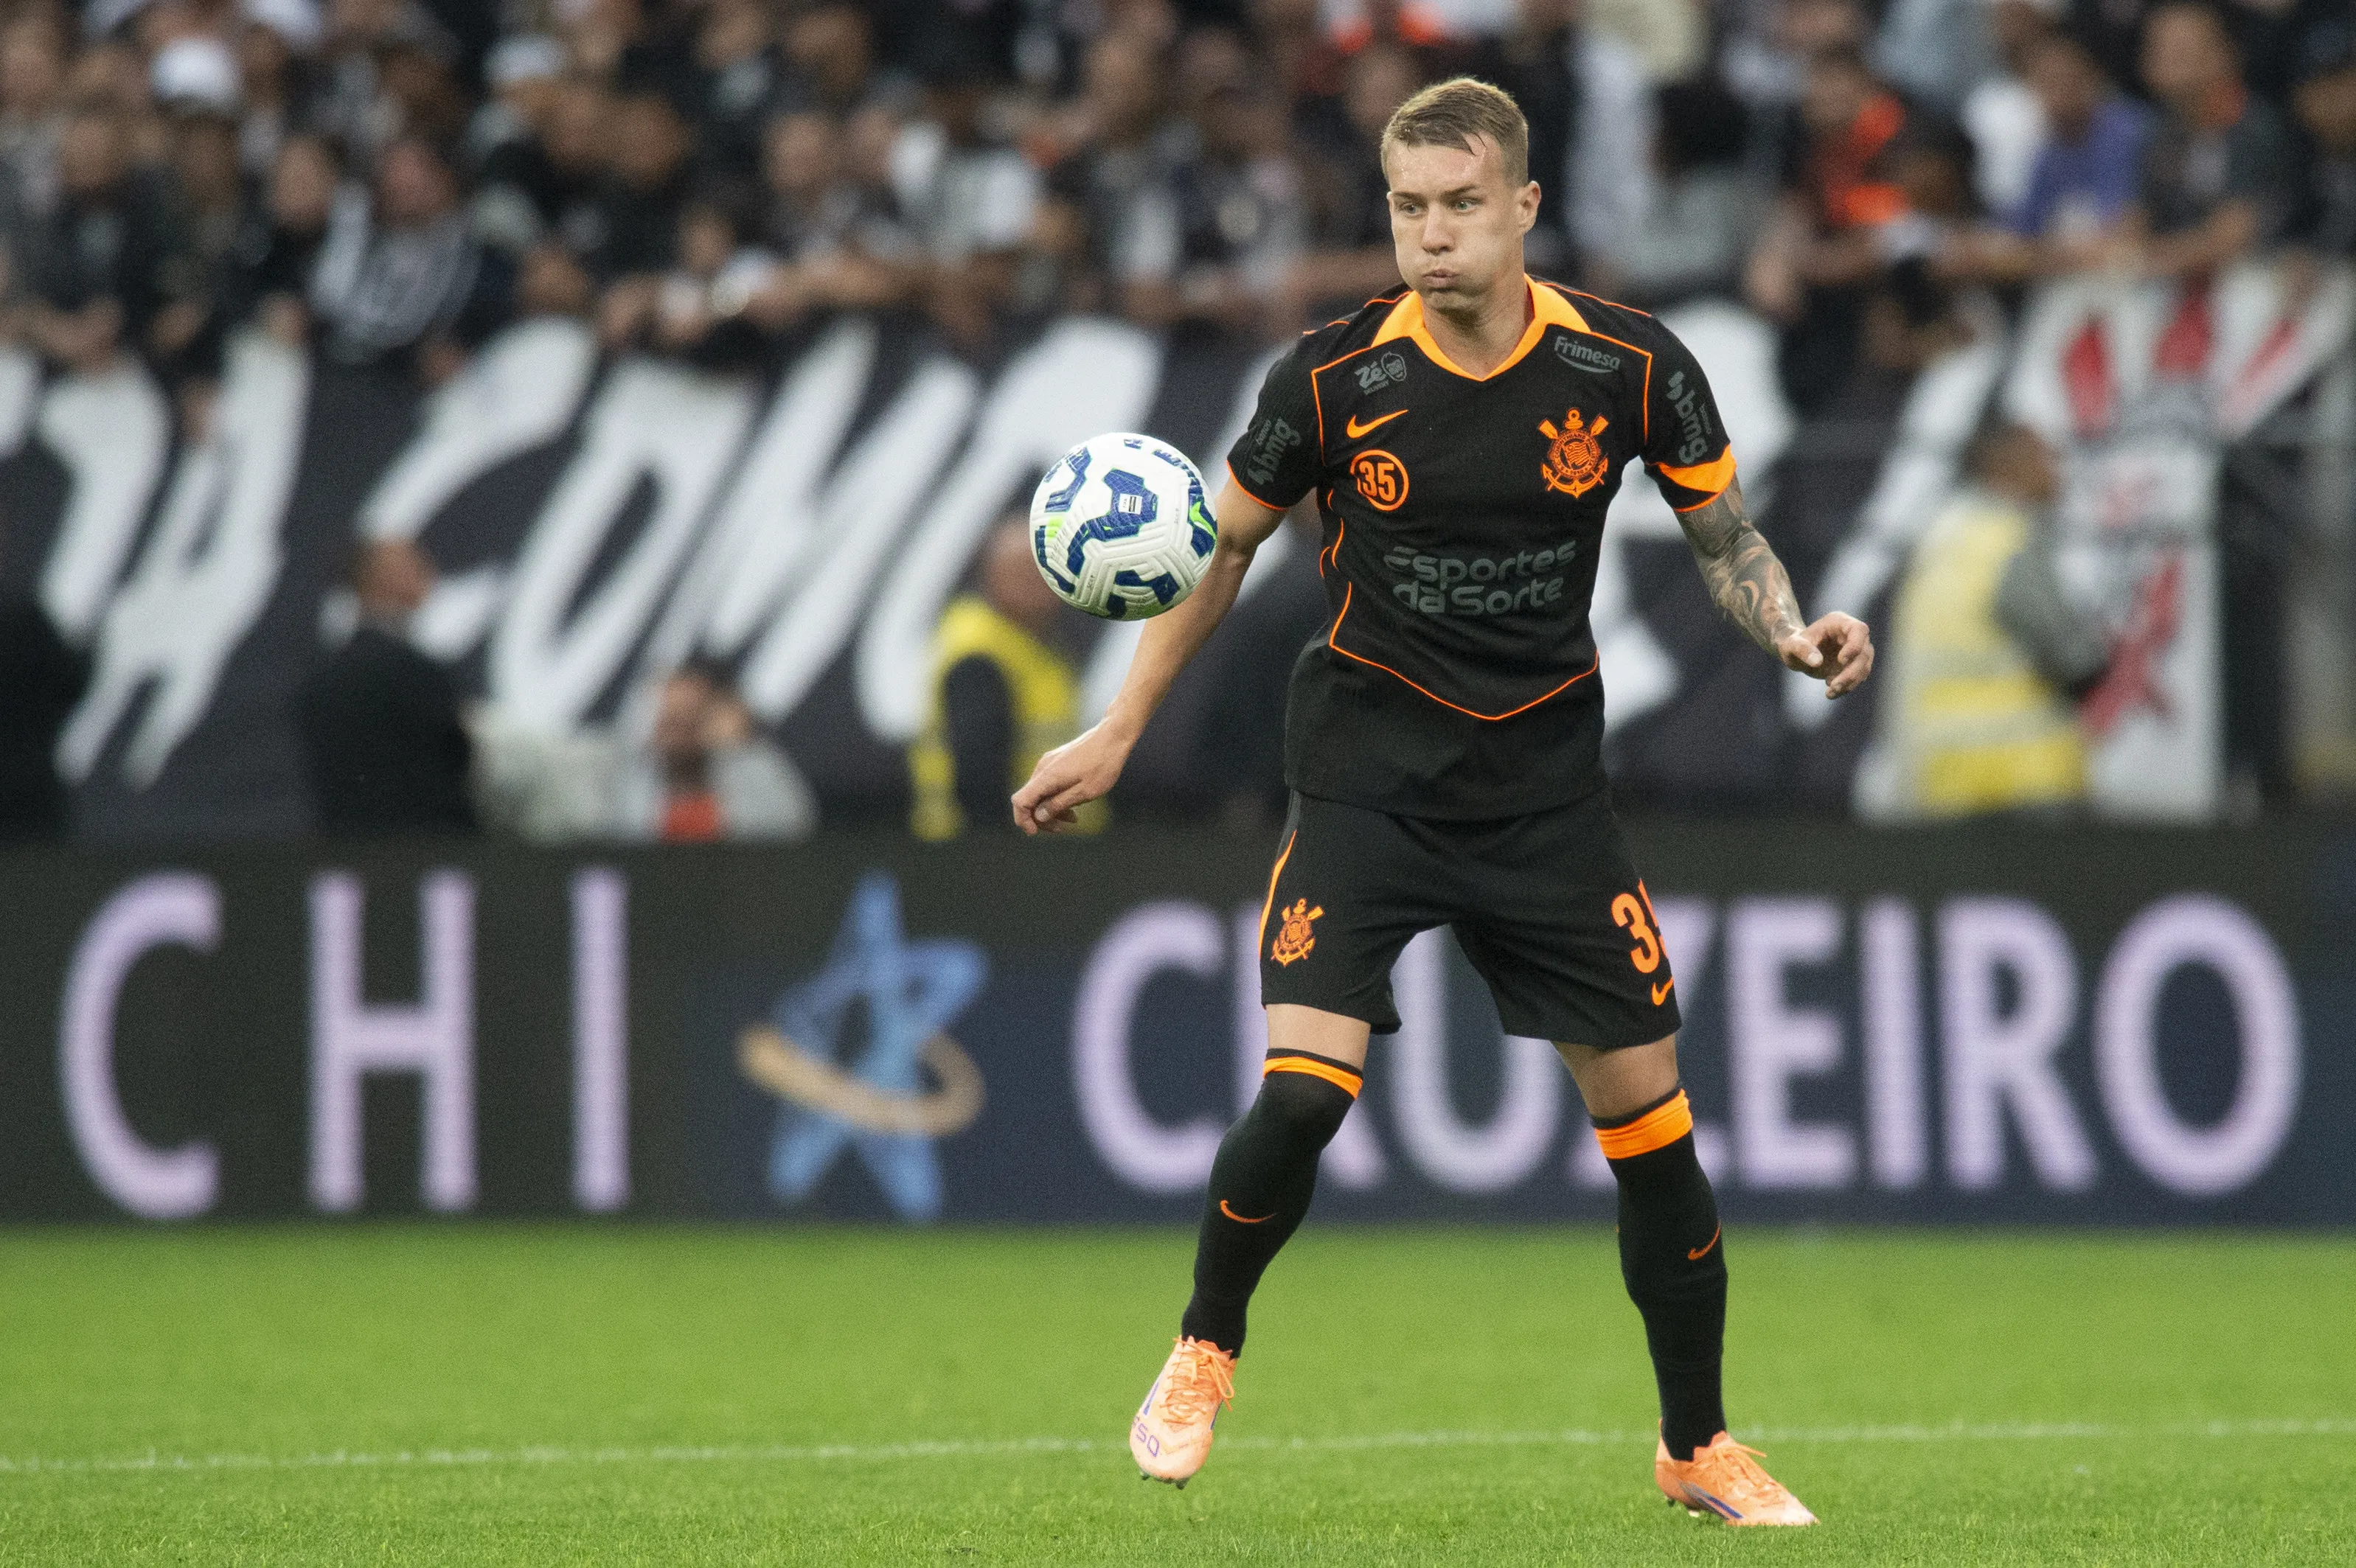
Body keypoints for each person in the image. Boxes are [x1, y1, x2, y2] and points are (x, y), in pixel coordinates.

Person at [1012, 77, 1872, 1522]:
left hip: (1543, 797)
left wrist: (1791, 629)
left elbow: (1724, 539)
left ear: (1523, 208)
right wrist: (1118, 725)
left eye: (1460, 205)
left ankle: (1695, 1443)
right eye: (1408, 207)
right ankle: (1204, 1346)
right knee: (1301, 1092)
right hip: (1365, 783)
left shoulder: (1628, 365)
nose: (1430, 235)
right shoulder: (1330, 378)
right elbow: (1216, 552)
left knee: (1653, 1129)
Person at [910, 516, 1102, 840]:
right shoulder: (978, 653)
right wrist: (1001, 857)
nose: (1037, 583)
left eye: (1046, 570)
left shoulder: (1037, 644)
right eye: (1023, 571)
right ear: (991, 574)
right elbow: (978, 777)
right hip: (995, 854)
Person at [296, 537, 476, 836]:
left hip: (350, 852)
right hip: (429, 849)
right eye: (414, 565)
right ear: (378, 579)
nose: (427, 573)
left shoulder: (323, 677)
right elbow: (458, 758)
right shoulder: (417, 674)